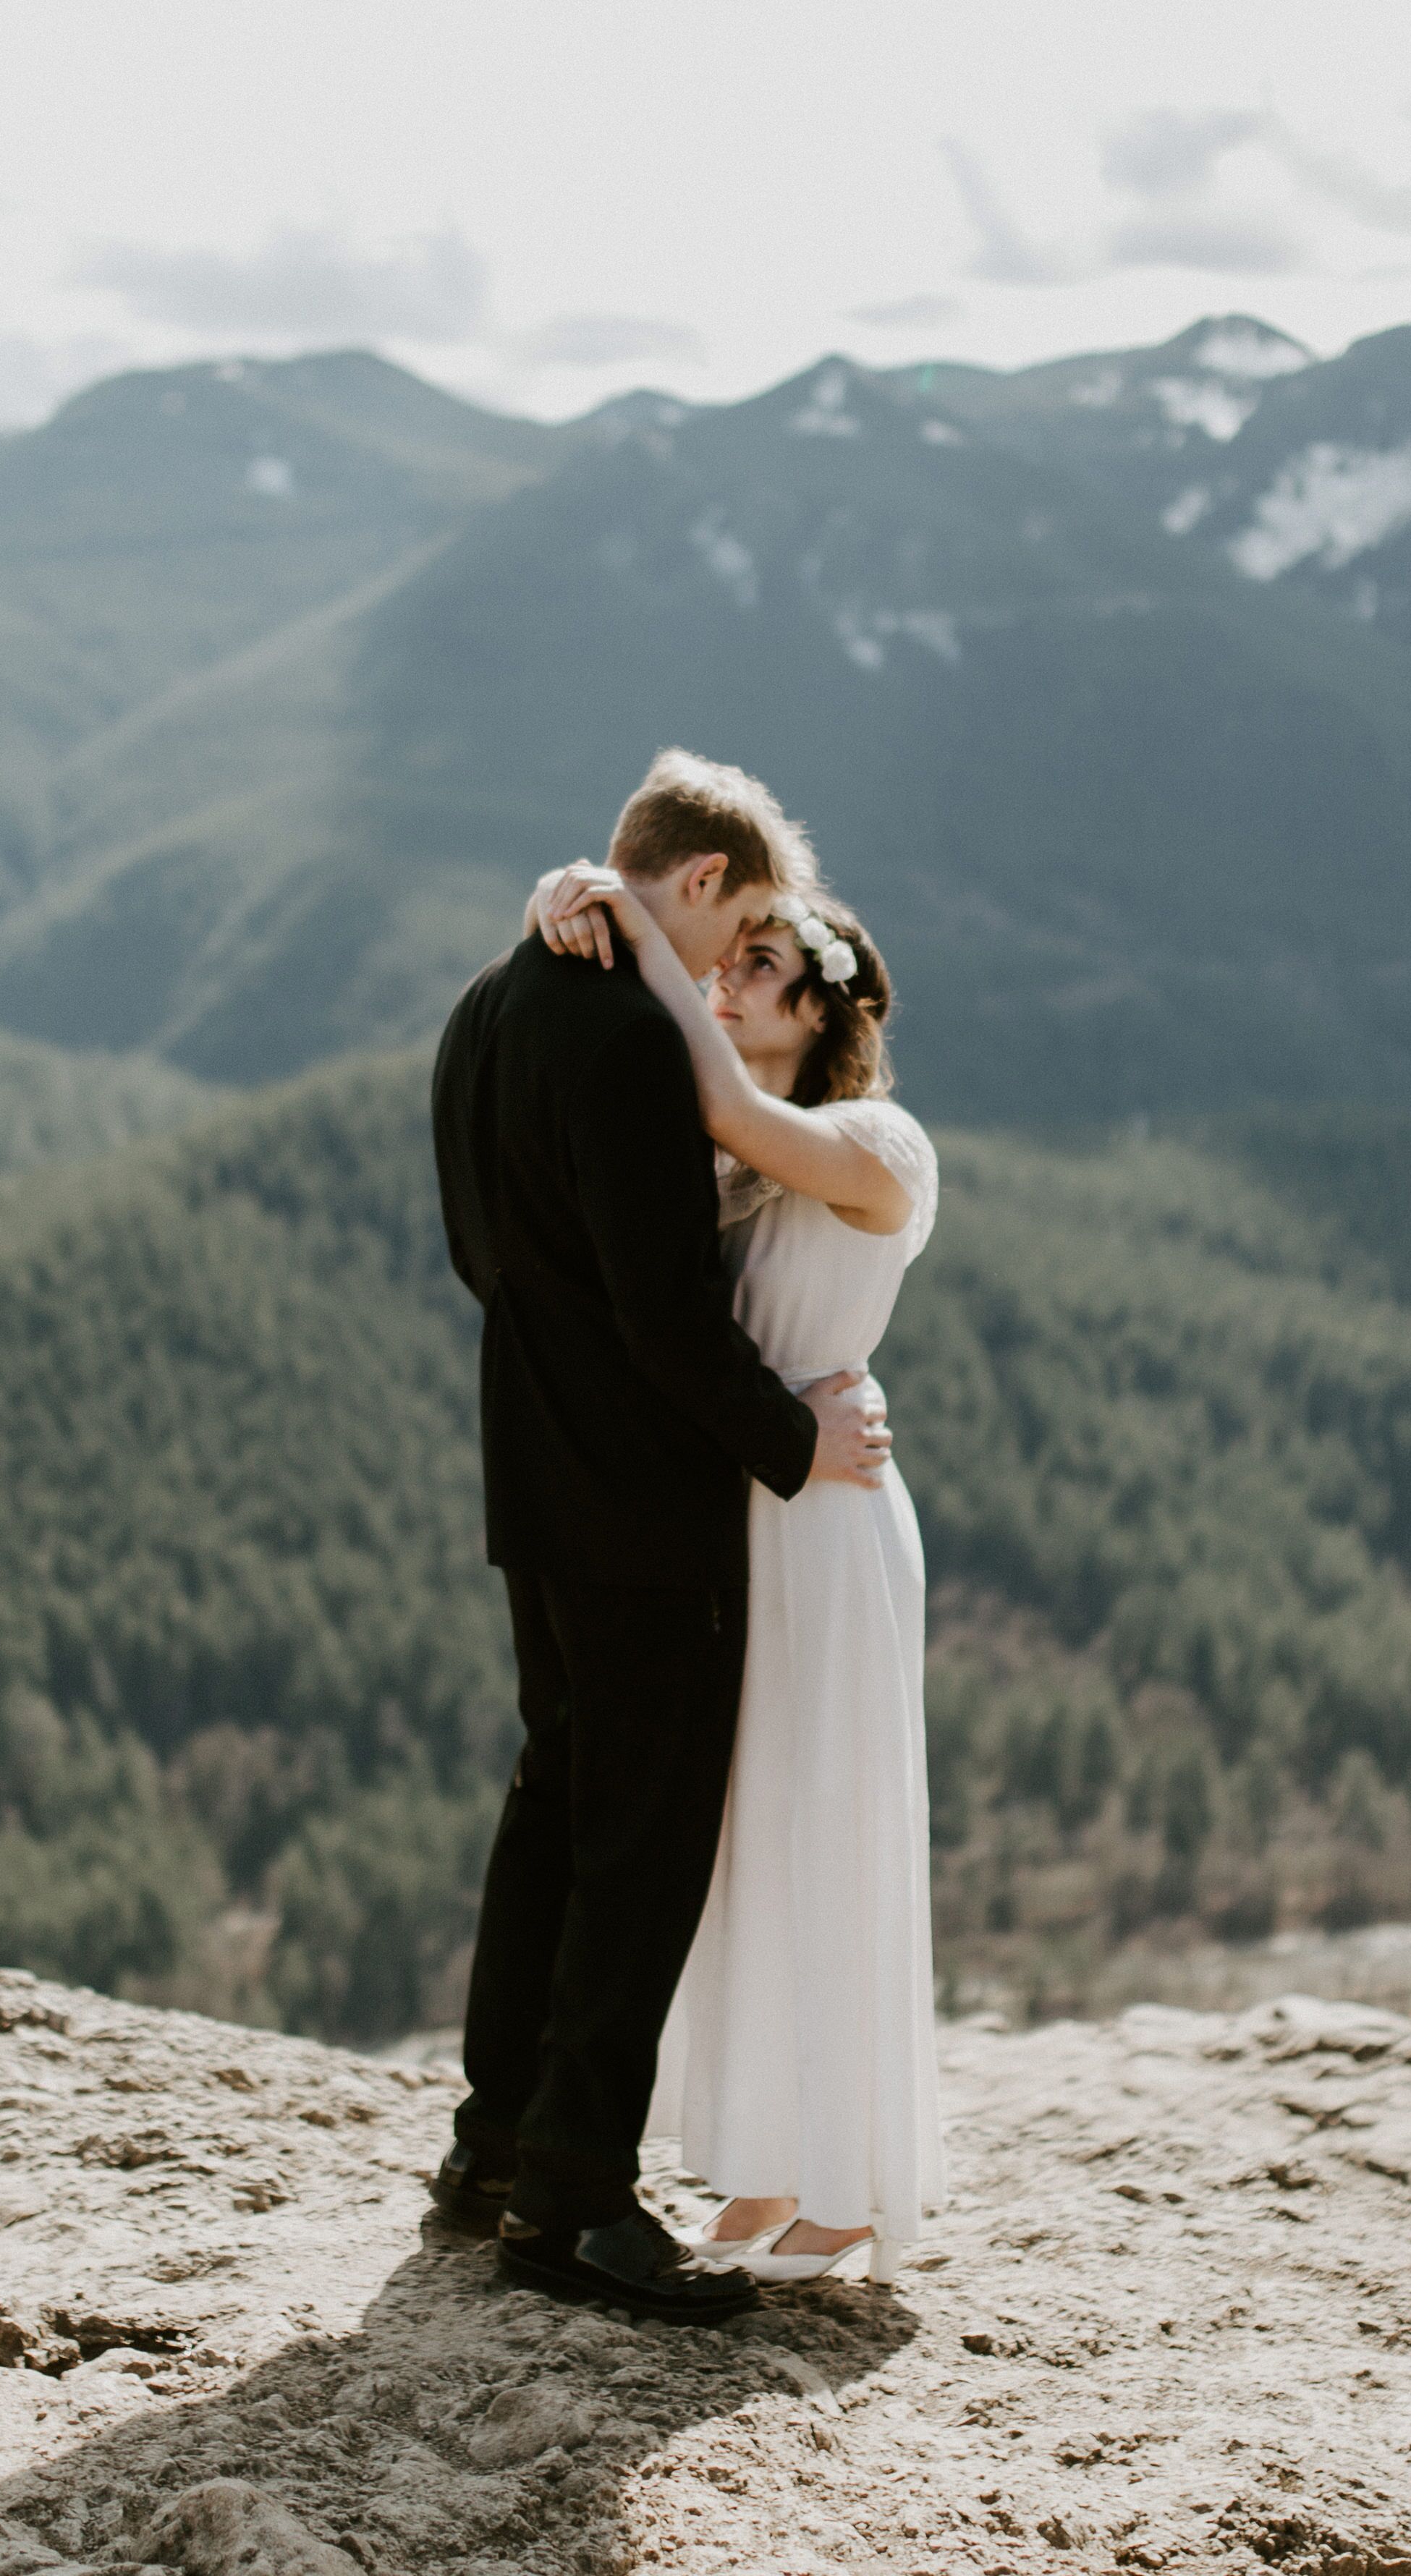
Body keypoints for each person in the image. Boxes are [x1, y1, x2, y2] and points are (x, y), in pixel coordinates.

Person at [425, 749, 895, 2327]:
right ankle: (572, 2200)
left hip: (533, 1480)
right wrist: (790, 1439)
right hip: (642, 1506)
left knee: (553, 1804)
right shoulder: (633, 1034)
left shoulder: (488, 1006)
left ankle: (491, 2151)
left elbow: (481, 1250)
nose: (727, 961)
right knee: (638, 1850)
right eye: (738, 923)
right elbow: (669, 1317)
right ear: (698, 884)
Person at [525, 856, 939, 2287]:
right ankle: (764, 2167)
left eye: (759, 964)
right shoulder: (740, 1173)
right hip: (737, 1516)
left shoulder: (879, 1145)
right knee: (744, 1841)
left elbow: (727, 1103)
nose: (728, 973)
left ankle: (849, 2186)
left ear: (826, 1007)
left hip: (828, 1516)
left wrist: (628, 918)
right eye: (728, 954)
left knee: (830, 1827)